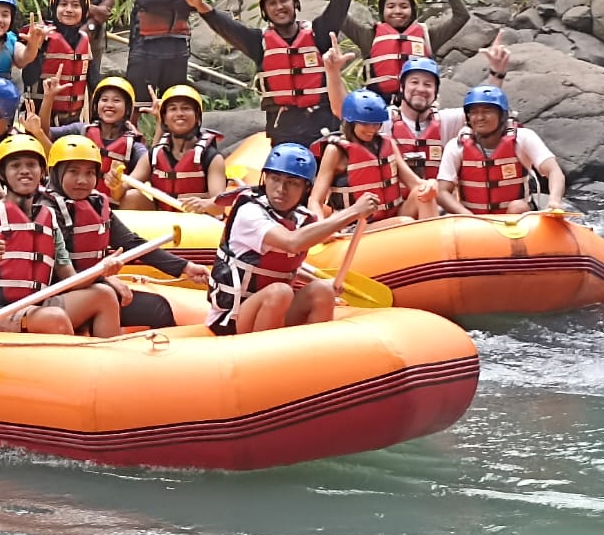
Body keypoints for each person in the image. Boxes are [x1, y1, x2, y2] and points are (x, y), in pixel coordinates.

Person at [0, 134, 123, 335]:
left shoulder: (49, 219)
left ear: (42, 172)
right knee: (53, 318)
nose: (25, 171)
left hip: (36, 305)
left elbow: (70, 280)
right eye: (15, 166)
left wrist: (101, 270)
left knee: (104, 295)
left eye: (31, 165)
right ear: (2, 174)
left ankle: (108, 363)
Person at [179, 0, 370, 146]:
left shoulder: (317, 33)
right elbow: (227, 27)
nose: (279, 7)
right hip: (284, 129)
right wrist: (200, 6)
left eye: (284, 0)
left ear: (295, 3)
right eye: (272, 3)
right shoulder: (257, 42)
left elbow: (334, 13)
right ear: (264, 11)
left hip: (322, 124)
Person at [206, 143, 378, 335]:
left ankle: (311, 357)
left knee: (322, 291)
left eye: (293, 183)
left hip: (273, 307)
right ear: (265, 178)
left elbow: (281, 268)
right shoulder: (250, 212)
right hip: (231, 316)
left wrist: (323, 283)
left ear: (305, 188)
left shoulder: (302, 218)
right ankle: (261, 356)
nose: (281, 189)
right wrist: (353, 211)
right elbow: (292, 242)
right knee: (280, 292)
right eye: (275, 179)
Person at [44, 135, 210, 329]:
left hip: (92, 283)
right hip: (58, 294)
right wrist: (103, 278)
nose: (82, 180)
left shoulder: (95, 204)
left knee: (158, 308)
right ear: (56, 172)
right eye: (73, 172)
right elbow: (57, 270)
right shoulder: (46, 210)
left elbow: (132, 244)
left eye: (89, 173)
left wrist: (184, 267)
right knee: (157, 310)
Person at [320, 33, 510, 180]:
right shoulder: (383, 119)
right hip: (397, 210)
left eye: (428, 84)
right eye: (414, 82)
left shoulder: (445, 122)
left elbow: (486, 110)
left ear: (436, 91)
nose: (420, 89)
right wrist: (332, 72)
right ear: (402, 87)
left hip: (435, 206)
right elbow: (343, 110)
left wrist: (497, 73)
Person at [308, 89, 438, 221]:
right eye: (365, 124)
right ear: (351, 122)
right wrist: (320, 226)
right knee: (405, 221)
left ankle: (438, 240)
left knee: (424, 192)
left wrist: (430, 185)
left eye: (376, 124)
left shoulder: (387, 143)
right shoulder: (335, 151)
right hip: (355, 225)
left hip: (392, 215)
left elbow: (415, 183)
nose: (372, 129)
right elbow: (315, 200)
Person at [343, 0, 471, 100]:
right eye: (391, 6)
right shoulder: (369, 36)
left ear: (413, 11)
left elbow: (462, 16)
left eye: (404, 6)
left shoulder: (428, 37)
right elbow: (337, 16)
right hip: (379, 108)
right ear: (382, 11)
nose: (397, 11)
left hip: (417, 107)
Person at [436, 87, 566, 216]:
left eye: (487, 111)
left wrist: (554, 201)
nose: (480, 117)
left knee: (518, 207)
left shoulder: (523, 138)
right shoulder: (456, 146)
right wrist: (466, 215)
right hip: (474, 222)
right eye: (474, 112)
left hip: (517, 219)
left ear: (502, 115)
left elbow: (553, 171)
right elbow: (442, 192)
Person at [122, 85, 228, 214]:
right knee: (131, 196)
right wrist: (115, 184)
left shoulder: (211, 158)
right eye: (173, 109)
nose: (179, 114)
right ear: (164, 119)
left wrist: (205, 204)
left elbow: (220, 206)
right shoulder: (153, 155)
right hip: (163, 221)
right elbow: (123, 189)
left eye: (186, 108)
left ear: (197, 117)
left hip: (197, 224)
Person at [45, 75, 147, 194]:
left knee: (135, 195)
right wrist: (49, 98)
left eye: (116, 100)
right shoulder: (81, 130)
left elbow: (150, 163)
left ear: (127, 109)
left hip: (112, 206)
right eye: (104, 100)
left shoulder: (133, 145)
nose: (109, 105)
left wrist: (121, 186)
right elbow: (44, 133)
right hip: (80, 200)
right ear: (96, 106)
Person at [26, 0, 93, 124]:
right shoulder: (42, 37)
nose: (69, 9)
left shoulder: (84, 39)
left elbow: (92, 81)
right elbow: (28, 78)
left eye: (75, 5)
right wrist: (35, 48)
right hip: (42, 117)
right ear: (54, 8)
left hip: (75, 118)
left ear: (84, 11)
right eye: (63, 4)